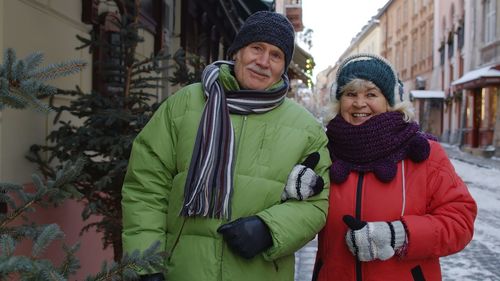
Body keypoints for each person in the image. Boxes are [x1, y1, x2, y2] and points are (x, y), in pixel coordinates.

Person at [121, 11, 331, 281]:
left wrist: (269, 229)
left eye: (276, 55)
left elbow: (316, 203)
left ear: (283, 67)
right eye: (257, 48)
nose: (263, 61)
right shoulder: (184, 105)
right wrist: (146, 265)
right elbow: (146, 186)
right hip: (182, 271)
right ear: (237, 52)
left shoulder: (306, 129)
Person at [312, 54, 477, 281]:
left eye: (371, 94)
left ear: (390, 101)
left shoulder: (425, 153)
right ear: (338, 101)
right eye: (351, 94)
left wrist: (399, 234)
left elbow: (460, 222)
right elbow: (305, 217)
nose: (360, 103)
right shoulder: (323, 153)